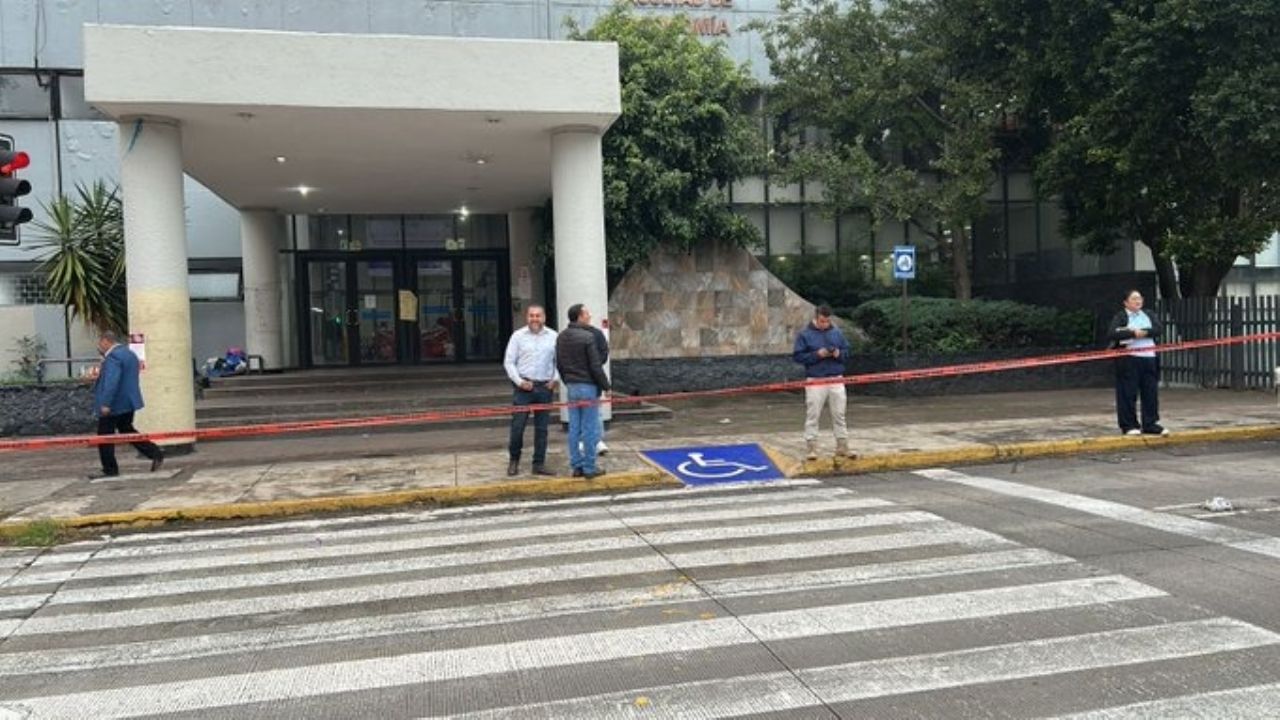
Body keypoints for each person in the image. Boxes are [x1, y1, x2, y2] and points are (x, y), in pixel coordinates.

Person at [91, 331, 164, 478]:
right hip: (128, 401)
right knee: (126, 429)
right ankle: (154, 452)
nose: (99, 346)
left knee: (104, 436)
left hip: (114, 404)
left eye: (100, 343)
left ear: (106, 341)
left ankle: (110, 469)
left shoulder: (113, 357)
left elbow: (112, 382)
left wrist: (106, 403)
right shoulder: (129, 354)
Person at [793, 304, 857, 461]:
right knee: (813, 413)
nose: (825, 324)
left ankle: (842, 445)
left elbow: (847, 352)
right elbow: (798, 356)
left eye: (827, 321)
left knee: (839, 414)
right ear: (816, 318)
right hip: (816, 379)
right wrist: (817, 355)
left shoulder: (836, 333)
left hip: (836, 377)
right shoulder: (805, 335)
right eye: (822, 321)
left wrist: (838, 353)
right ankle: (811, 446)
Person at [503, 304, 559, 476]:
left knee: (542, 429)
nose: (535, 319)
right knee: (517, 427)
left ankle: (539, 464)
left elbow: (560, 362)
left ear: (544, 317)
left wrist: (555, 379)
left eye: (538, 315)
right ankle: (514, 461)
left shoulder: (554, 336)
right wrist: (519, 382)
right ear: (527, 317)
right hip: (523, 388)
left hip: (544, 387)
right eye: (531, 315)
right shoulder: (517, 336)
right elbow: (509, 362)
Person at [556, 303, 610, 479]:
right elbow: (595, 366)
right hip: (588, 386)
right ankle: (589, 467)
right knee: (589, 428)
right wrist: (606, 386)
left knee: (574, 428)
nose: (589, 316)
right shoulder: (588, 337)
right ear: (579, 316)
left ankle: (576, 465)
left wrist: (567, 381)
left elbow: (559, 364)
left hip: (572, 386)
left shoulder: (561, 337)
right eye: (586, 314)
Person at [1108, 289, 1168, 436]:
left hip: (1149, 357)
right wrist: (1132, 333)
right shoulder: (1121, 316)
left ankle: (1150, 423)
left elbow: (1158, 329)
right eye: (1134, 299)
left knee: (1150, 392)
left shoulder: (1148, 314)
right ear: (1126, 302)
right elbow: (1113, 333)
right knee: (1128, 393)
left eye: (1139, 298)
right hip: (1129, 358)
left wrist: (1145, 332)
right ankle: (1129, 425)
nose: (1138, 301)